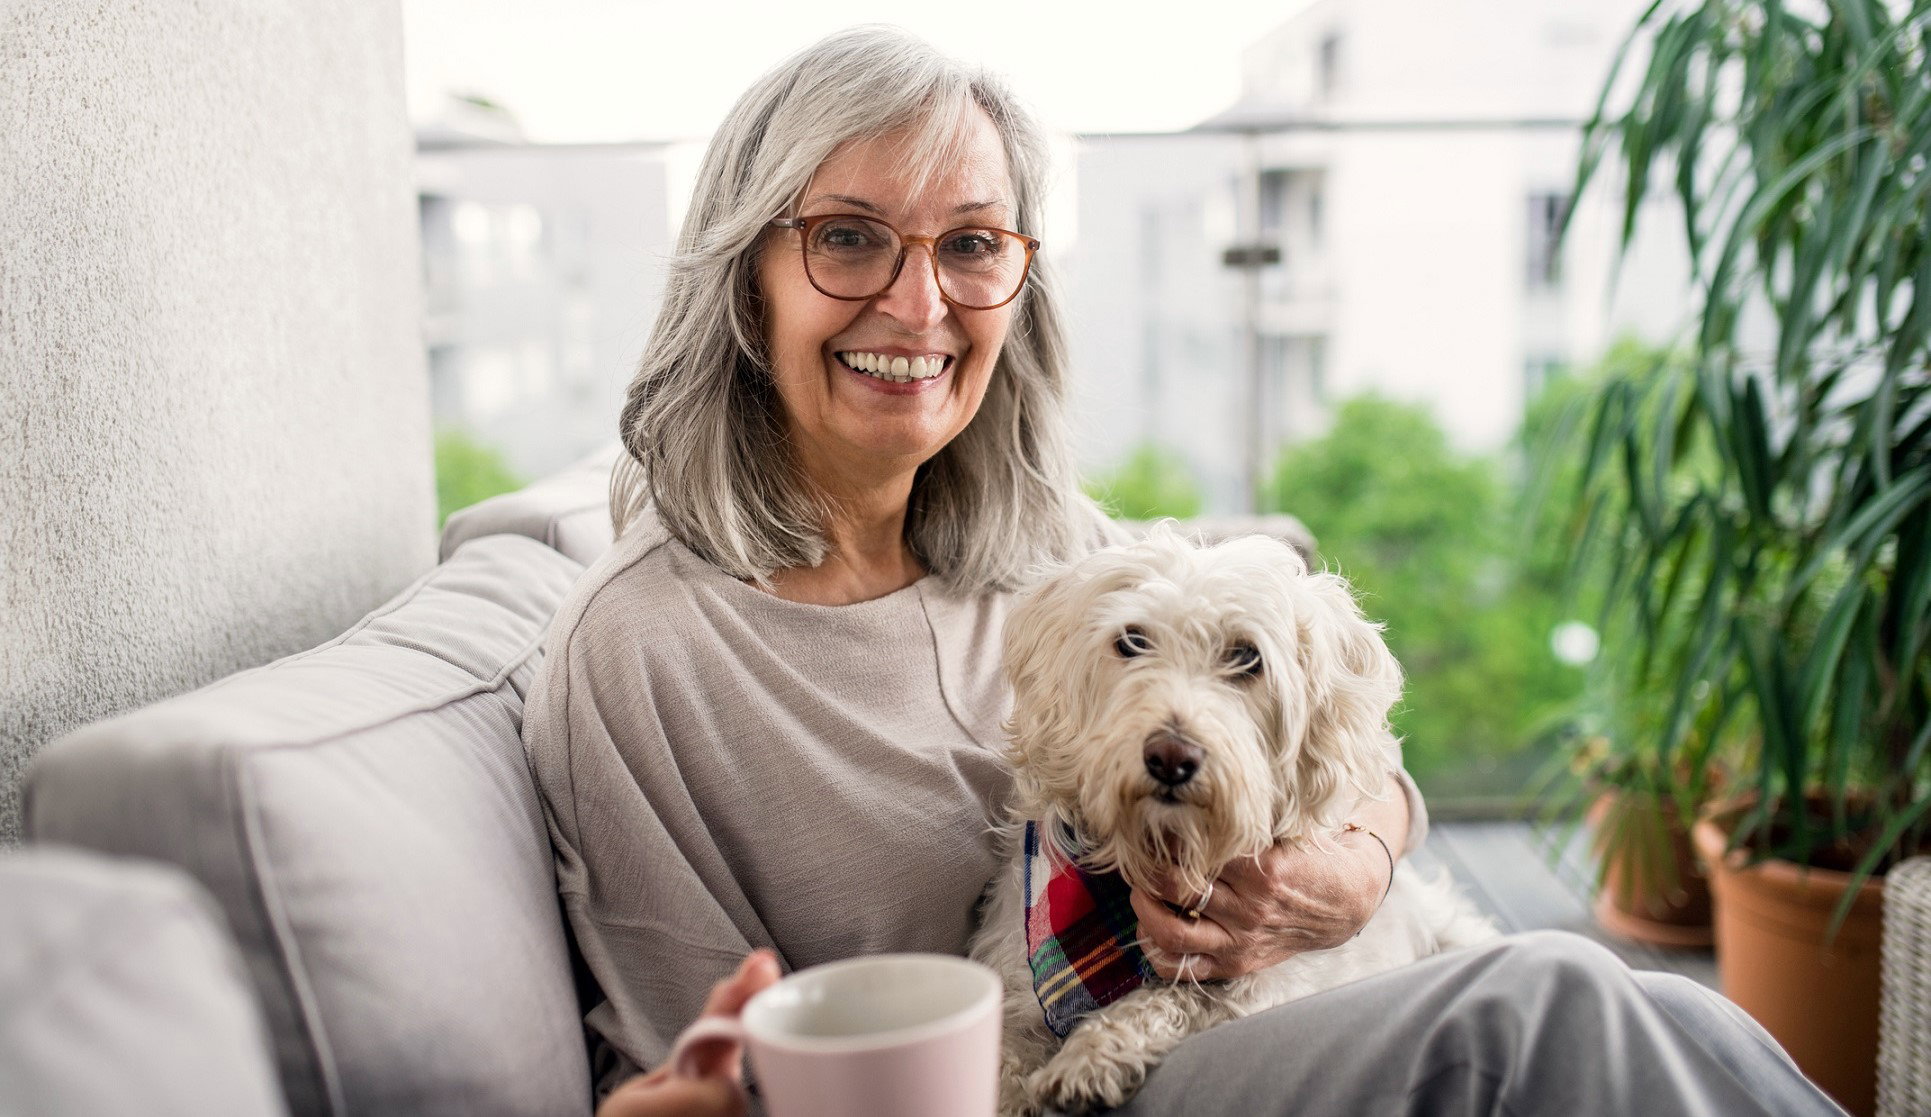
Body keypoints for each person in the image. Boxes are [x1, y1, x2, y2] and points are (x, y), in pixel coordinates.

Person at [520, 25, 1848, 1117]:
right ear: (746, 275)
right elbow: (697, 1066)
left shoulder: (1054, 553)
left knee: (1650, 1007)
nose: (919, 304)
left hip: (1224, 1029)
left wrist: (1355, 869)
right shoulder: (640, 655)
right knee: (1545, 1006)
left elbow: (1361, 771)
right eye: (850, 237)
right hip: (1040, 1090)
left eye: (973, 243)